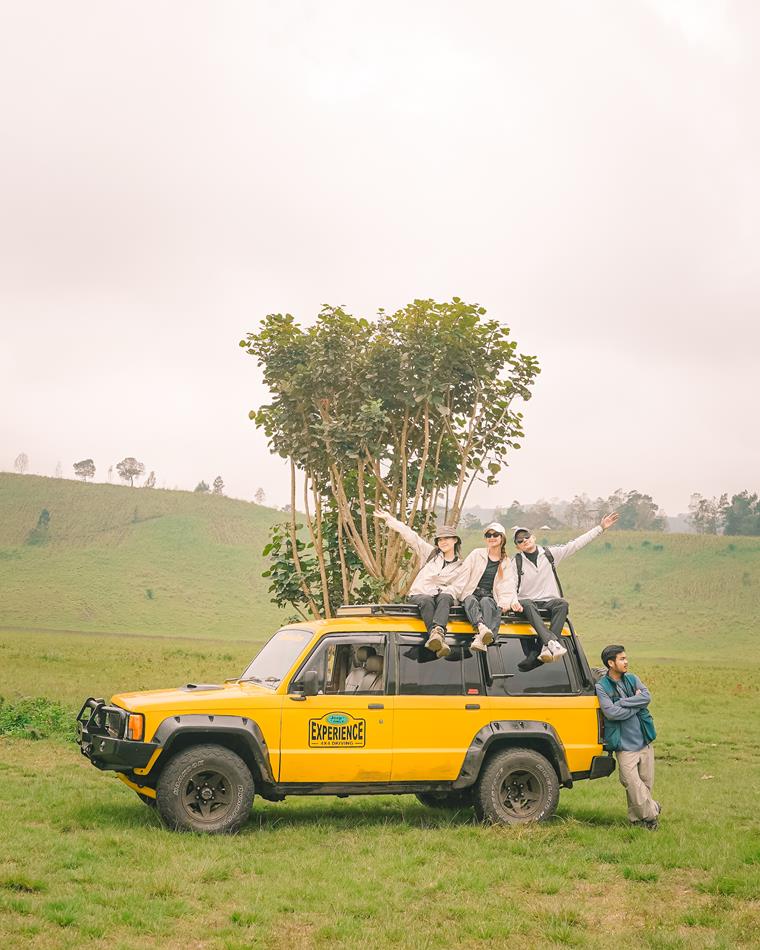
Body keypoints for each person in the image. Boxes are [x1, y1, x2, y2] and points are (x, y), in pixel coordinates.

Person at [509, 513, 619, 669]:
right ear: (517, 546)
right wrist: (513, 601)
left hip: (548, 602)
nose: (524, 540)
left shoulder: (550, 554)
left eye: (526, 536)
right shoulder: (515, 562)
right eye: (520, 540)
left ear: (533, 537)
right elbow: (510, 586)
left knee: (562, 604)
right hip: (527, 605)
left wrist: (600, 528)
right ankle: (551, 643)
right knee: (526, 603)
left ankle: (546, 646)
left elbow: (575, 544)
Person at [374, 510, 468, 658]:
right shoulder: (431, 554)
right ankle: (437, 637)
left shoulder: (461, 566)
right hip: (420, 595)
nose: (443, 542)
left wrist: (439, 590)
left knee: (446, 597)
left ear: (455, 540)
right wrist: (390, 519)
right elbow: (412, 537)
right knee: (426, 600)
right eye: (440, 539)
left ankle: (437, 634)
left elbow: (457, 588)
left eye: (446, 538)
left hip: (442, 597)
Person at [596, 645, 660, 829]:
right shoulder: (601, 686)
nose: (626, 662)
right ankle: (653, 812)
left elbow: (646, 697)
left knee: (645, 785)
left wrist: (622, 702)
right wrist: (636, 704)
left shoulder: (632, 679)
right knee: (631, 784)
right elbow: (611, 713)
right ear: (611, 663)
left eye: (626, 658)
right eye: (622, 659)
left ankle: (637, 820)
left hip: (644, 741)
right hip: (624, 746)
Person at [459, 522, 521, 652]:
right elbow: (463, 575)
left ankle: (481, 639)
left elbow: (508, 585)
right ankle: (481, 628)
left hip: (489, 596)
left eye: (495, 534)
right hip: (472, 592)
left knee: (486, 602)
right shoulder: (477, 554)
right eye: (488, 535)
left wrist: (506, 603)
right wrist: (455, 593)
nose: (491, 537)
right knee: (469, 599)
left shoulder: (506, 562)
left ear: (502, 538)